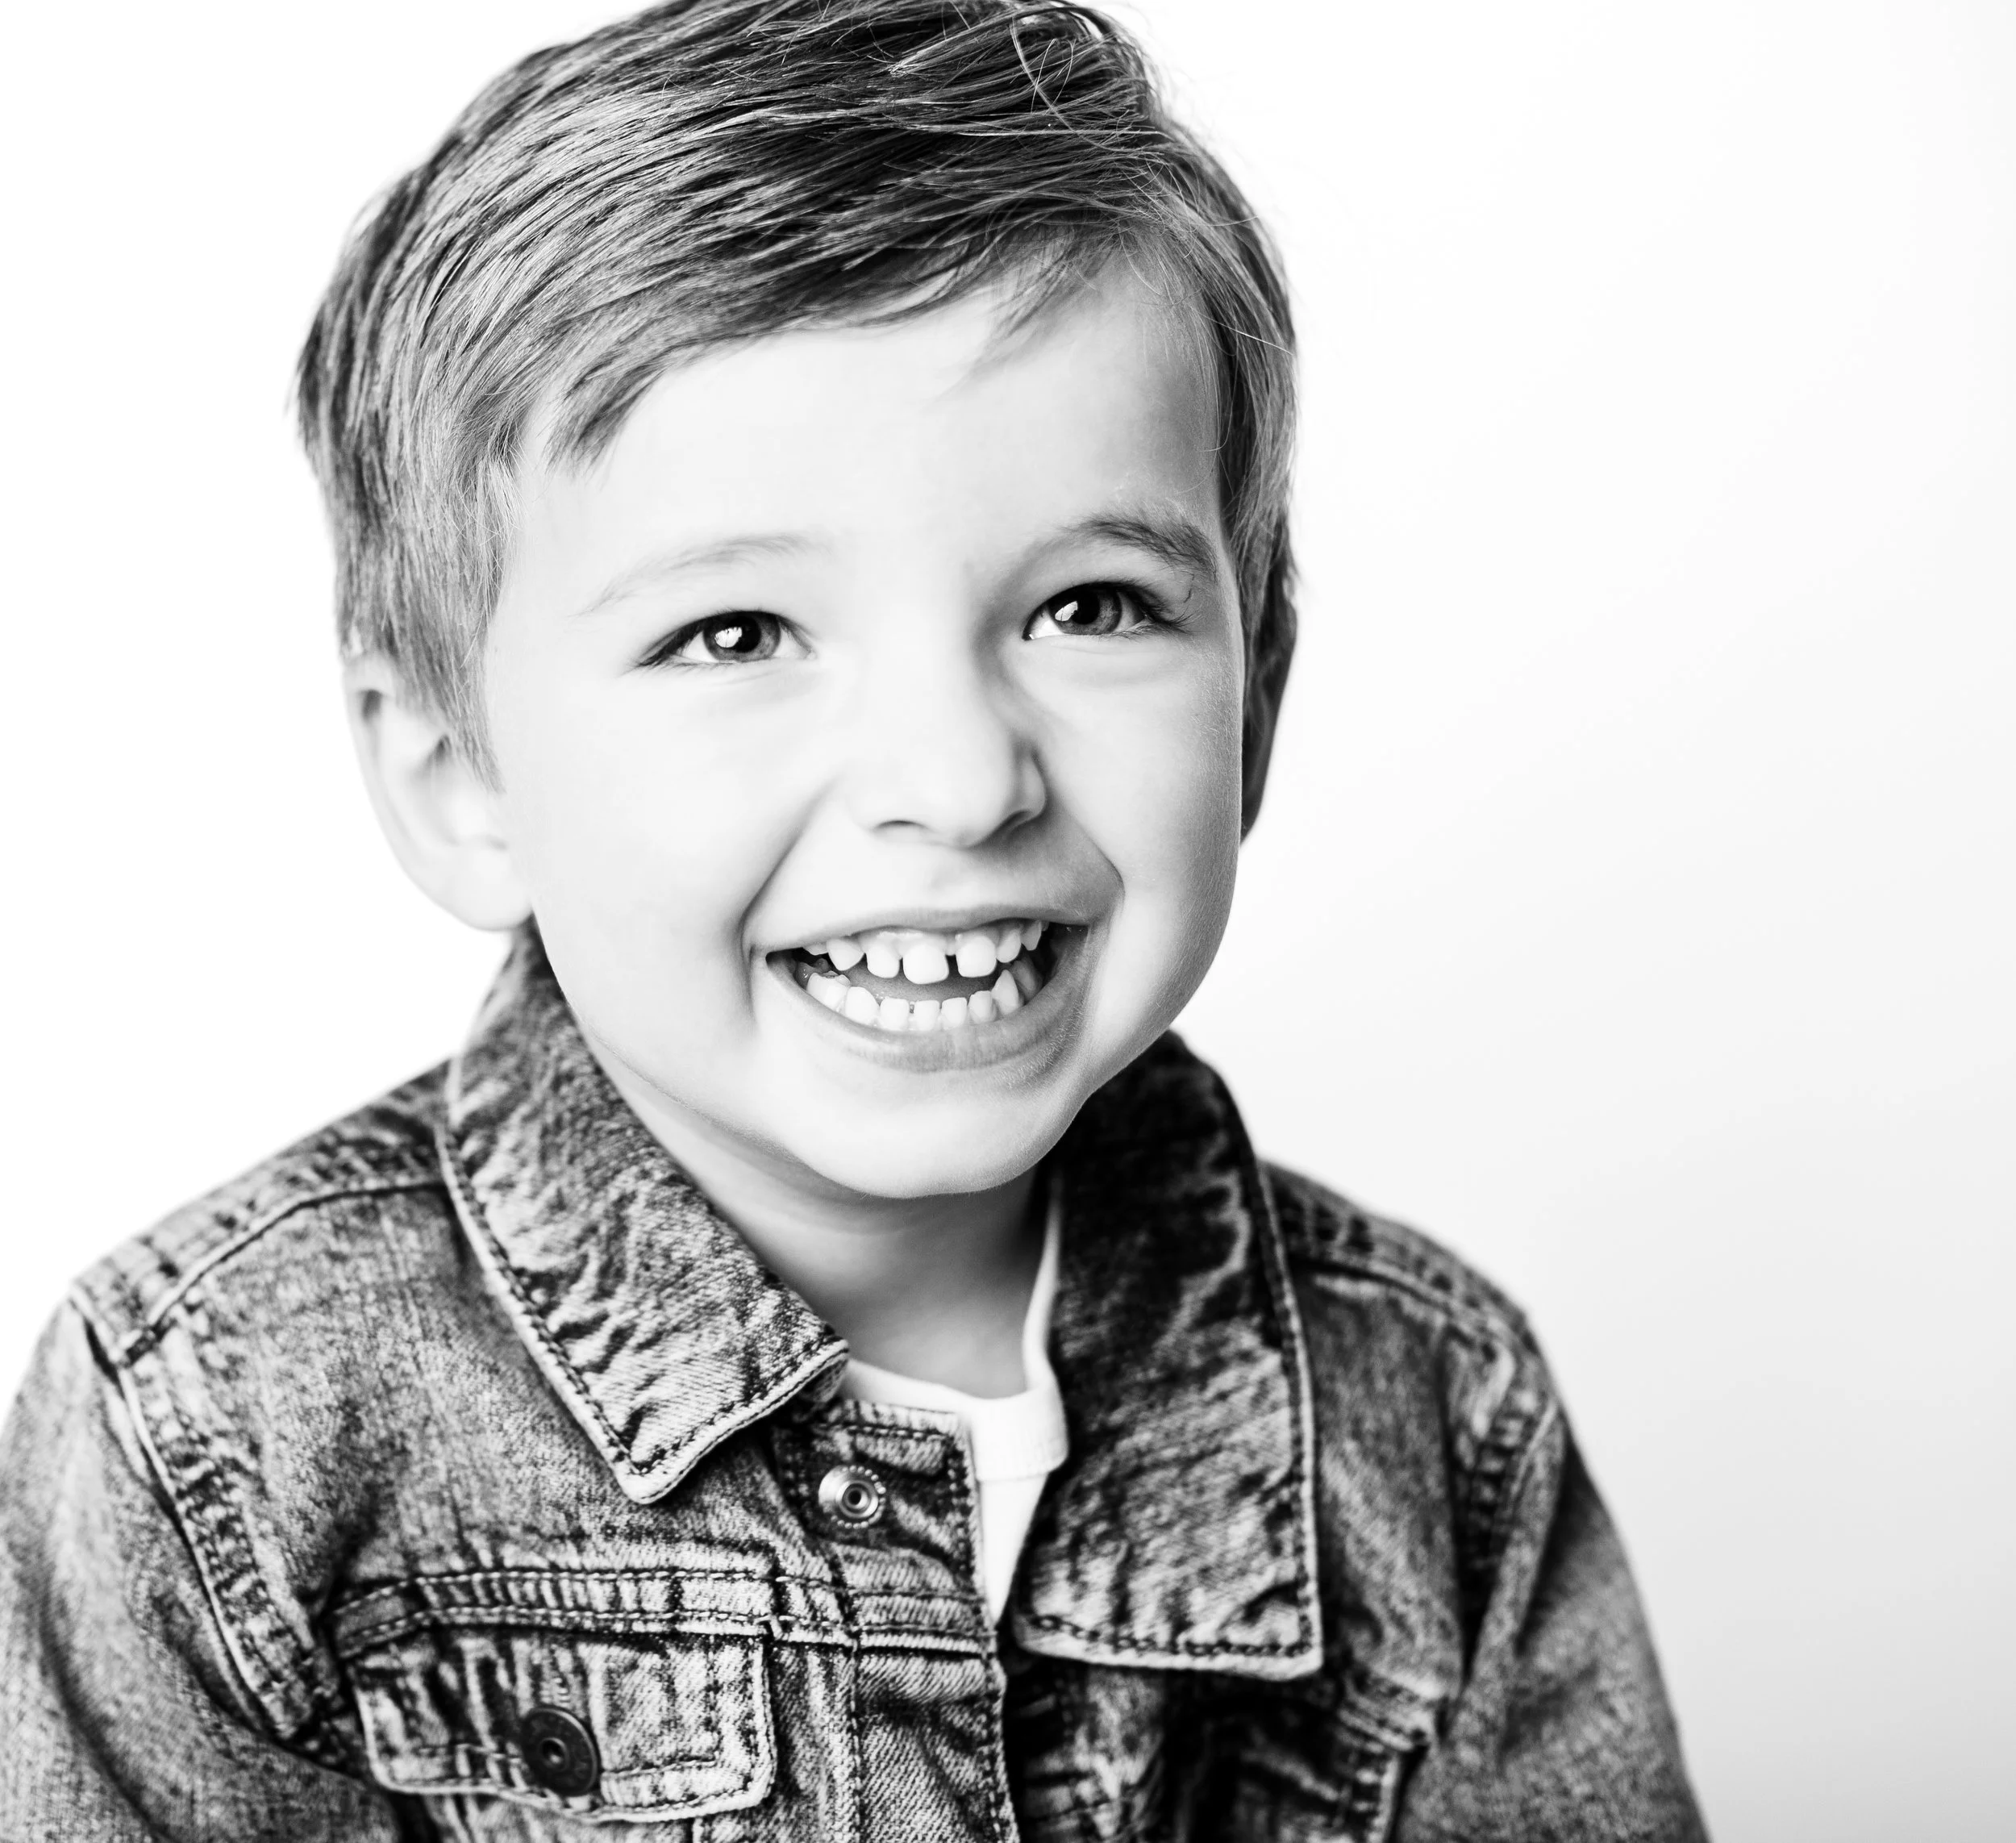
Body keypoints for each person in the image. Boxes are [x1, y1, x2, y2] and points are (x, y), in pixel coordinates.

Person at [0, 2, 1706, 1836]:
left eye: (1092, 606)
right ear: (453, 772)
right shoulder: (222, 1430)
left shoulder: (1429, 1416)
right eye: (735, 634)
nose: (962, 778)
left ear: (1257, 688)